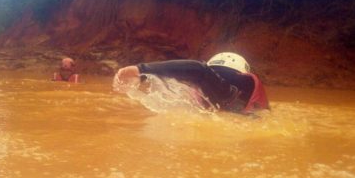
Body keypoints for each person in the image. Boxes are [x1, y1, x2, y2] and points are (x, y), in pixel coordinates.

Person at [115, 52, 269, 114]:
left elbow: (199, 70)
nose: (219, 77)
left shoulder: (228, 93)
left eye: (221, 74)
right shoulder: (241, 101)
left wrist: (141, 70)